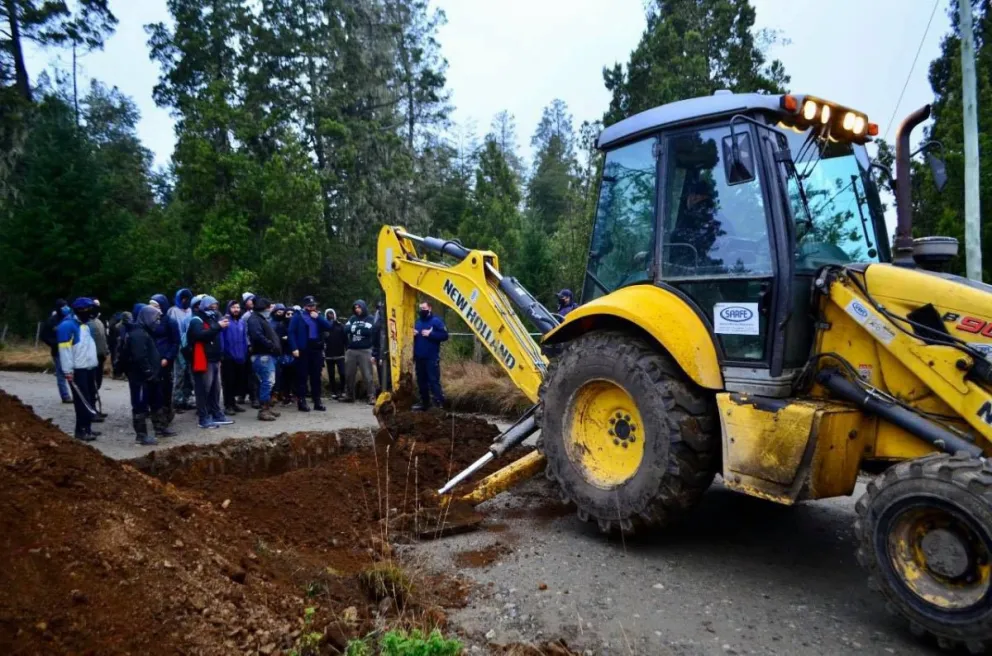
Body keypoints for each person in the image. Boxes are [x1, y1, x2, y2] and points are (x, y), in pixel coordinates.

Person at [126, 305, 176, 445]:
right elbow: (139, 357)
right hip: (140, 378)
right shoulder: (138, 334)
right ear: (147, 318)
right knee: (140, 405)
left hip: (152, 376)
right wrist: (148, 372)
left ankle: (160, 427)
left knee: (157, 401)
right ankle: (141, 435)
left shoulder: (147, 332)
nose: (157, 322)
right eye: (155, 318)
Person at [57, 298, 101, 441]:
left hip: (88, 368)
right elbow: (65, 351)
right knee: (82, 401)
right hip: (78, 370)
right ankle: (81, 430)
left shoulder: (85, 325)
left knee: (89, 399)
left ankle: (87, 428)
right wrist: (68, 371)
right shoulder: (67, 326)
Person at [187, 295, 233, 429]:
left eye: (216, 306)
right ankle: (203, 418)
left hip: (215, 359)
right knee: (203, 389)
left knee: (215, 389)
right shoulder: (196, 320)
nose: (215, 308)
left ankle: (217, 414)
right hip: (203, 360)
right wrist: (218, 326)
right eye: (212, 306)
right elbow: (200, 335)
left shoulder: (212, 317)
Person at [288, 295, 333, 412]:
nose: (312, 307)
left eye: (313, 305)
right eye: (310, 305)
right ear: (305, 306)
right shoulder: (298, 316)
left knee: (316, 376)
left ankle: (317, 401)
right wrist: (294, 348)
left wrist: (318, 317)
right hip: (303, 349)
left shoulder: (318, 315)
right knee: (302, 376)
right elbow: (291, 332)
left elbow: (328, 326)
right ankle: (301, 401)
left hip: (316, 349)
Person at [247, 297, 282, 421]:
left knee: (269, 382)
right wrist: (271, 345)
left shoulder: (260, 319)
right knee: (266, 382)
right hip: (263, 355)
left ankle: (267, 407)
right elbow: (257, 336)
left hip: (266, 354)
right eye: (268, 307)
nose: (270, 310)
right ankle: (263, 410)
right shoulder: (255, 319)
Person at [412, 301, 449, 410]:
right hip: (419, 358)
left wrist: (431, 334)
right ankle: (425, 403)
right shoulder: (417, 323)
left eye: (423, 308)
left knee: (433, 380)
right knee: (421, 381)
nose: (421, 310)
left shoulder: (436, 322)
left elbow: (445, 335)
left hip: (431, 357)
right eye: (420, 308)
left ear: (429, 308)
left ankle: (439, 404)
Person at [150, 293, 180, 425]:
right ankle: (155, 413)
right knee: (153, 387)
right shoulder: (149, 321)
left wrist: (168, 357)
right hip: (152, 359)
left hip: (165, 359)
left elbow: (175, 342)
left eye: (156, 306)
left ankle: (167, 412)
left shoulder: (170, 322)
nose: (153, 309)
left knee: (166, 386)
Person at [220, 300, 250, 415]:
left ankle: (233, 403)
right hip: (228, 357)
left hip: (240, 356)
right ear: (229, 308)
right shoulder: (225, 321)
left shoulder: (242, 322)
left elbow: (244, 339)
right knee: (228, 382)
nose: (236, 309)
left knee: (237, 381)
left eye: (237, 307)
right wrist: (223, 354)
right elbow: (221, 339)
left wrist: (244, 353)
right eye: (233, 307)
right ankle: (228, 405)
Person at [344, 300, 377, 405]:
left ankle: (371, 396)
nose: (357, 309)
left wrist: (354, 328)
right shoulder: (352, 318)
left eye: (359, 307)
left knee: (367, 374)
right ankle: (349, 394)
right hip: (352, 349)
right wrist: (360, 328)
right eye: (355, 308)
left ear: (363, 307)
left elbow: (370, 331)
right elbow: (346, 329)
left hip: (365, 350)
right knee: (349, 374)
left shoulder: (370, 318)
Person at [40, 299, 73, 404]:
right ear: (58, 308)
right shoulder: (52, 321)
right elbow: (44, 336)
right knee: (61, 374)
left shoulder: (70, 319)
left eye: (66, 306)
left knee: (72, 373)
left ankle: (77, 394)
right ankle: (65, 396)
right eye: (63, 306)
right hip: (58, 351)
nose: (66, 308)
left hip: (71, 350)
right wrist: (53, 343)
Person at [169, 288, 196, 411]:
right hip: (178, 345)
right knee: (179, 374)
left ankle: (187, 398)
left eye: (187, 298)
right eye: (183, 298)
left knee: (189, 374)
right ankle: (177, 401)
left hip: (189, 345)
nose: (185, 300)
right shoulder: (173, 311)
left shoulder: (191, 311)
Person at [271, 304, 295, 405]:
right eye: (288, 314)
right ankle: (280, 394)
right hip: (282, 354)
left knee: (292, 377)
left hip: (294, 353)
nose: (290, 315)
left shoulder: (296, 325)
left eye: (292, 314)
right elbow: (277, 339)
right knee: (281, 376)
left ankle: (290, 395)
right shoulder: (280, 325)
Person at [323, 309, 347, 400]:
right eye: (328, 314)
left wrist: (346, 349)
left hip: (340, 354)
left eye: (331, 313)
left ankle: (343, 390)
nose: (330, 315)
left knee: (342, 373)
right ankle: (334, 391)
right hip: (329, 354)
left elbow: (345, 339)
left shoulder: (340, 326)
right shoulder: (324, 327)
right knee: (331, 374)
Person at [240, 292, 258, 408]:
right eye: (249, 300)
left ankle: (255, 396)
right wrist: (248, 345)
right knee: (247, 373)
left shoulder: (258, 313)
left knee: (255, 373)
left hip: (258, 347)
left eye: (253, 299)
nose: (251, 301)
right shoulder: (244, 315)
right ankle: (247, 395)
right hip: (247, 347)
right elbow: (243, 332)